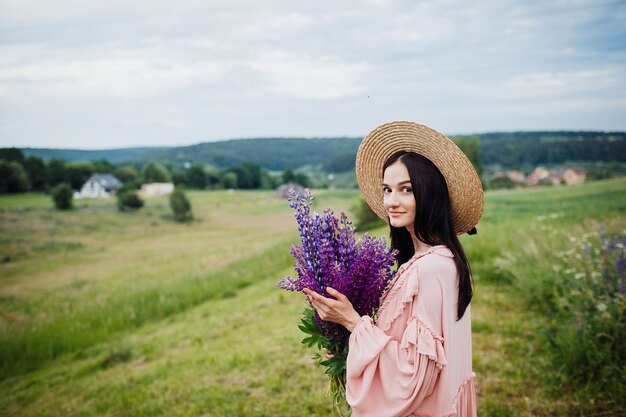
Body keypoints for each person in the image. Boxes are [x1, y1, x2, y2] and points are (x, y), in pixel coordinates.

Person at [303, 121, 483, 417]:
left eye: (406, 190)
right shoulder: (434, 261)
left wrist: (353, 323)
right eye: (387, 189)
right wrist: (348, 347)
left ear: (430, 195)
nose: (391, 201)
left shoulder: (430, 269)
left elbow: (413, 379)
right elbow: (400, 345)